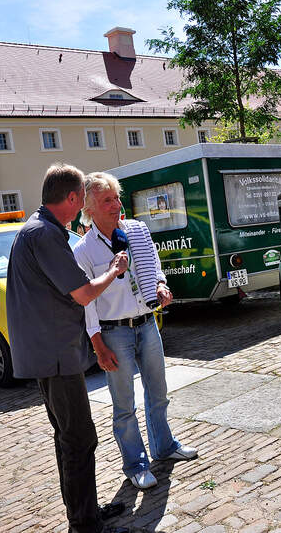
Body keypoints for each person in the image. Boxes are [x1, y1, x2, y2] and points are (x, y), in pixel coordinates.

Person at [6, 163, 129, 533]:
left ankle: (85, 512)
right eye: (82, 201)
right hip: (56, 355)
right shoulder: (45, 234)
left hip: (50, 352)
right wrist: (114, 268)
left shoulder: (38, 228)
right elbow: (84, 292)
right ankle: (84, 523)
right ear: (72, 198)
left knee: (69, 438)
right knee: (79, 438)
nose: (81, 211)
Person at [73, 172, 198, 491]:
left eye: (116, 198)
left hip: (147, 324)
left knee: (158, 392)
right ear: (89, 208)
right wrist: (98, 345)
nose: (116, 205)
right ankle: (136, 465)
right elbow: (86, 303)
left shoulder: (138, 231)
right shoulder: (84, 250)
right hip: (114, 333)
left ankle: (164, 447)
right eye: (107, 201)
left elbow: (154, 266)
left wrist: (160, 285)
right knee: (124, 404)